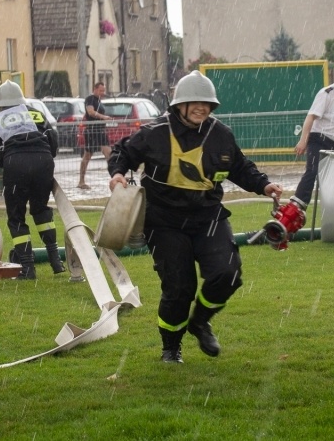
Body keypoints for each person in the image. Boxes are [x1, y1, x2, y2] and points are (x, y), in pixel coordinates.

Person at [107, 70, 283, 364]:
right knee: (179, 287)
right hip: (163, 222)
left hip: (208, 219)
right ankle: (171, 347)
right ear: (180, 105)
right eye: (195, 102)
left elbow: (240, 167)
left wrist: (264, 185)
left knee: (227, 274)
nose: (202, 108)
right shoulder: (154, 133)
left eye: (207, 104)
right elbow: (123, 152)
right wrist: (117, 173)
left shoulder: (221, 135)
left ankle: (200, 322)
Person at [0, 80, 64, 280]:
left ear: (1, 104)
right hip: (43, 160)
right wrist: (44, 157)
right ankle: (56, 260)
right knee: (41, 209)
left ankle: (28, 268)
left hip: (16, 164)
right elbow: (53, 140)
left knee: (16, 216)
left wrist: (13, 163)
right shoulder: (36, 113)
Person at [291, 62, 334, 208]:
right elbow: (310, 117)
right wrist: (303, 141)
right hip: (320, 140)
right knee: (312, 172)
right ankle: (297, 206)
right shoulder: (326, 94)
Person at [77, 81, 113, 189]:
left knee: (109, 153)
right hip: (92, 131)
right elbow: (91, 112)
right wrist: (104, 117)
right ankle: (81, 181)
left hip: (100, 130)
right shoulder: (90, 99)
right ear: (95, 89)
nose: (103, 93)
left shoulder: (99, 101)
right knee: (87, 156)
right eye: (101, 90)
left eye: (103, 90)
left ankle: (116, 177)